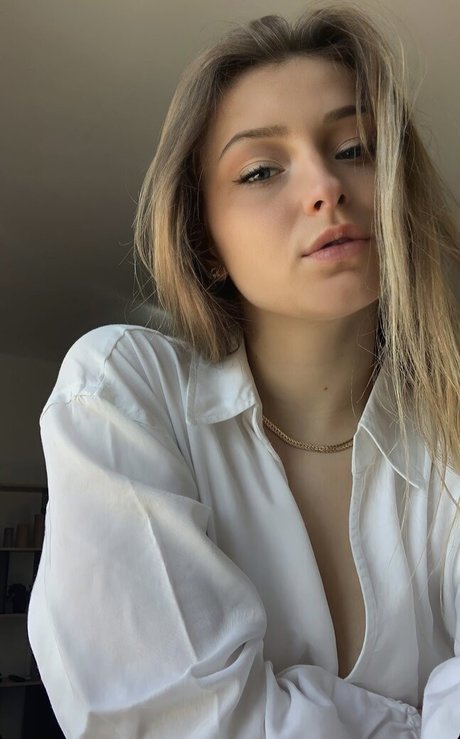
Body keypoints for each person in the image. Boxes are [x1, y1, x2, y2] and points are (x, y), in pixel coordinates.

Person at [28, 4, 460, 738]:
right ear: (207, 242)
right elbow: (167, 719)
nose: (325, 185)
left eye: (355, 148)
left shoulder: (448, 422)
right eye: (261, 170)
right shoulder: (120, 392)